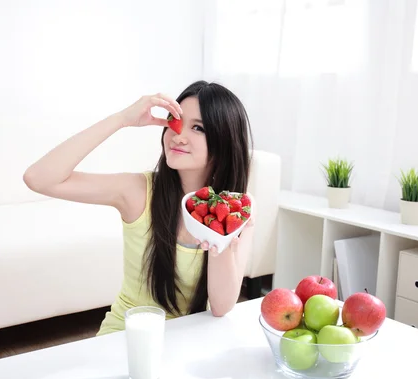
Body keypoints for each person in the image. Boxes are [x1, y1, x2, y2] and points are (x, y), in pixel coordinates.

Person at [23, 80, 255, 335]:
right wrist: (122, 119)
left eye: (197, 127)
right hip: (125, 337)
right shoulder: (138, 192)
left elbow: (221, 306)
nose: (178, 135)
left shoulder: (236, 213)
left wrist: (220, 239)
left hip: (187, 346)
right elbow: (38, 178)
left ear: (224, 142)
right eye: (174, 122)